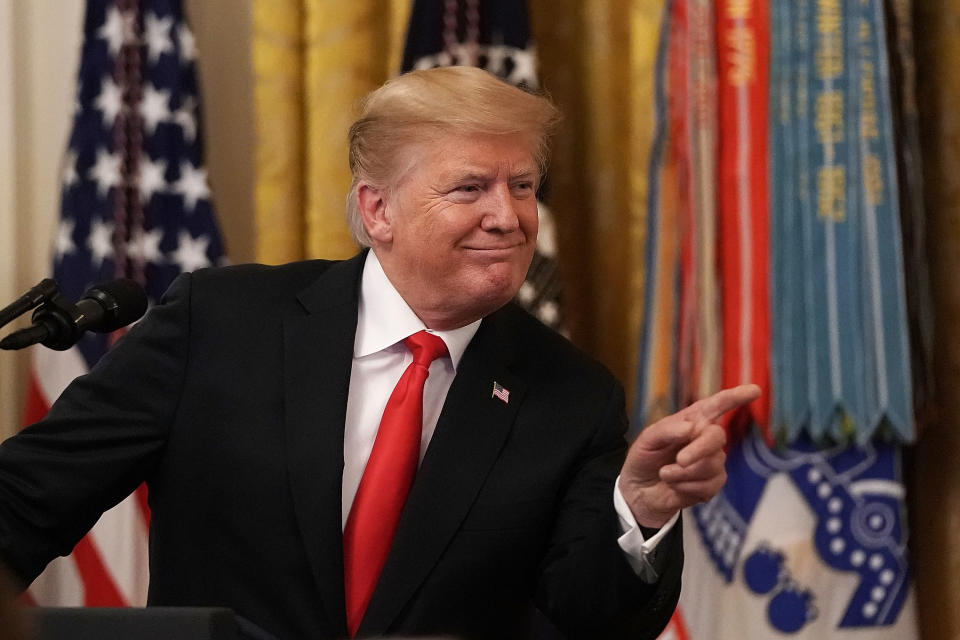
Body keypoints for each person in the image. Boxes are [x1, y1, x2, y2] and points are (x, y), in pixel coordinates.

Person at [0, 66, 759, 640]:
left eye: (522, 185)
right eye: (470, 187)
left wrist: (641, 510)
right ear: (377, 209)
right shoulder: (221, 325)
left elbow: (586, 623)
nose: (509, 216)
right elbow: (25, 503)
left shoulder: (572, 395)